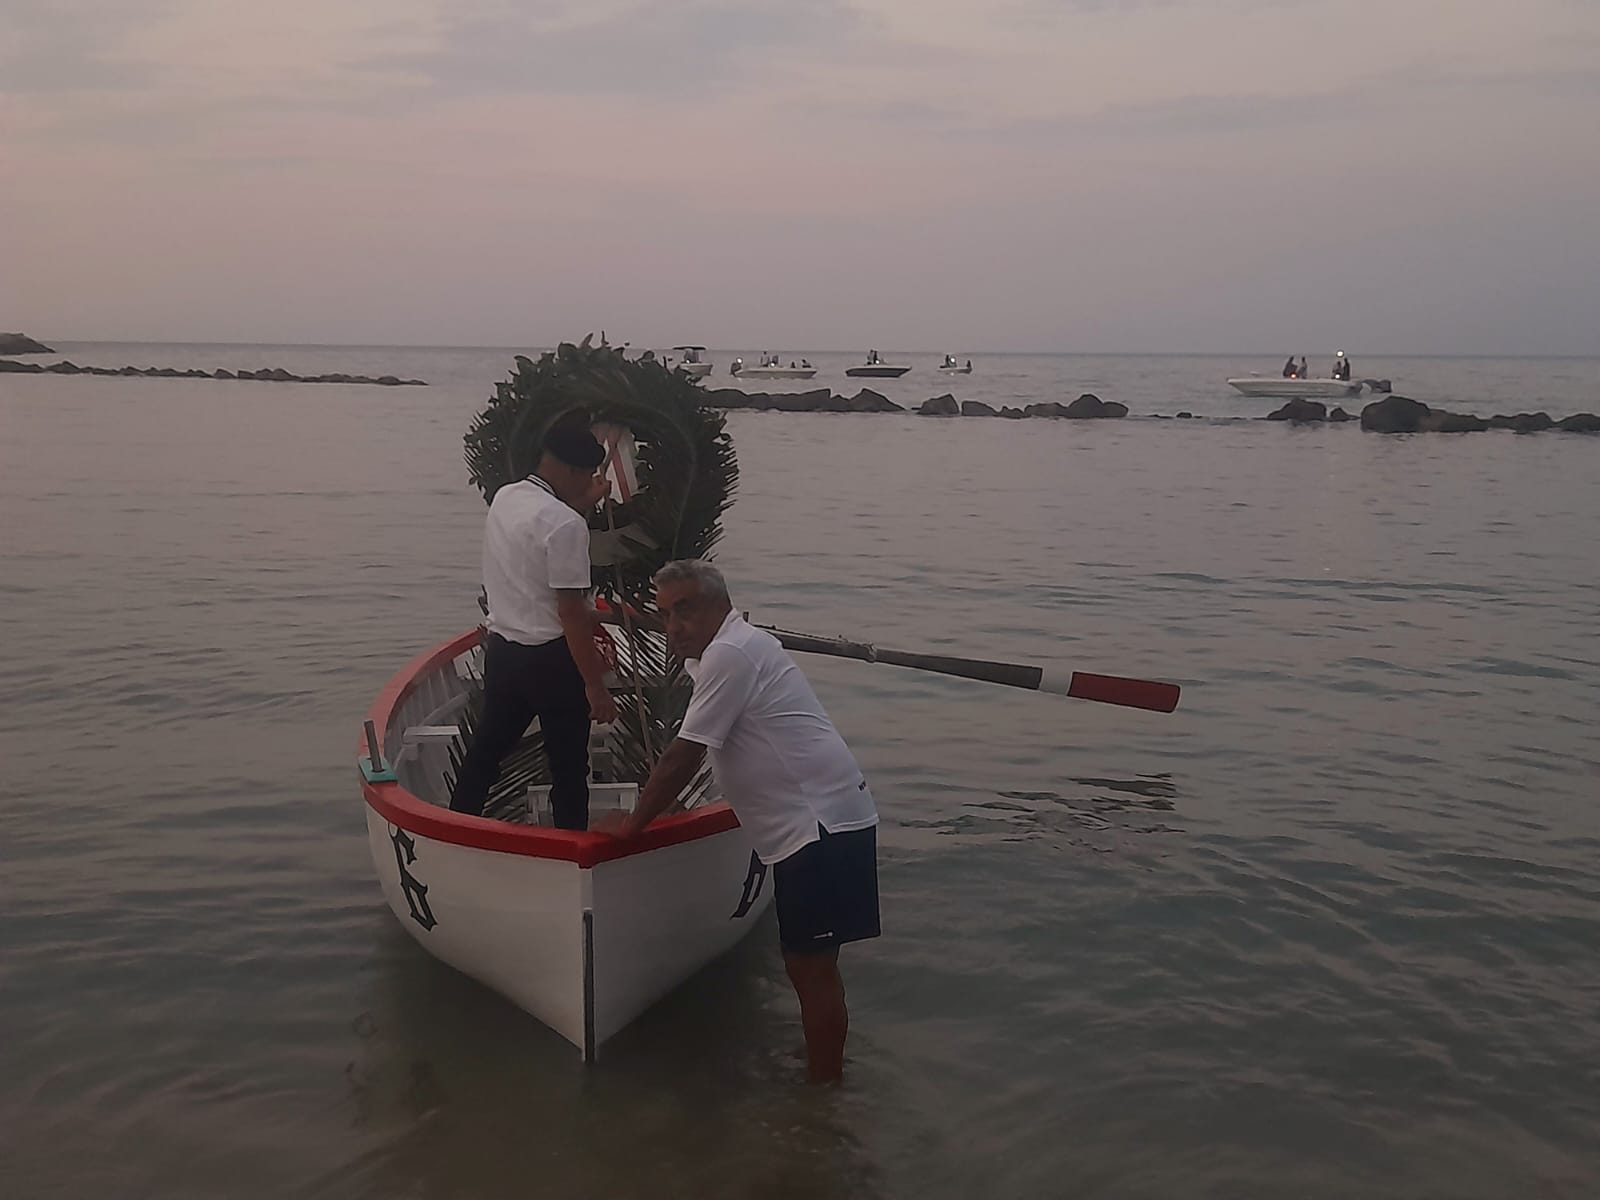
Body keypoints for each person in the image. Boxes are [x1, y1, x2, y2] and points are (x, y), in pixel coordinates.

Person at [603, 561, 879, 1083]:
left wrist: (633, 825)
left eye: (685, 610)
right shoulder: (728, 650)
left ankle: (823, 1092)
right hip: (821, 820)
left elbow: (683, 755)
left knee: (810, 967)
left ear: (720, 604)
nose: (673, 626)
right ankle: (824, 1071)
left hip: (819, 825)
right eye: (665, 614)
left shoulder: (731, 652)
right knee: (810, 965)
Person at [449, 418, 618, 828]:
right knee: (568, 768)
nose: (589, 483)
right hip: (552, 661)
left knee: (486, 752)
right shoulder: (567, 525)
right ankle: (570, 847)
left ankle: (454, 829)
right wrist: (595, 686)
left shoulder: (507, 497)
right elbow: (571, 612)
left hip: (504, 653)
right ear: (573, 471)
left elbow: (544, 528)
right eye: (588, 476)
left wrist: (585, 502)